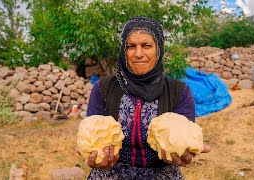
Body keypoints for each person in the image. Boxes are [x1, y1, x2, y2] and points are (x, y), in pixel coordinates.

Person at [86, 17, 211, 179]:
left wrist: (184, 151)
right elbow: (91, 136)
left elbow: (184, 137)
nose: (138, 54)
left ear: (158, 49)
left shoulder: (179, 91)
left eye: (146, 46)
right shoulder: (103, 88)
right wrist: (94, 154)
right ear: (123, 51)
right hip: (110, 174)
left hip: (162, 174)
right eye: (131, 46)